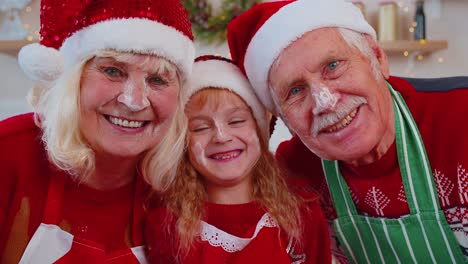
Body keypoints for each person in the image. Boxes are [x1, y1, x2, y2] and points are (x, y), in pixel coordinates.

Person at [227, 0, 468, 262]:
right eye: (295, 91)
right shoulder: (294, 173)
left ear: (377, 57)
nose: (324, 101)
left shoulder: (460, 117)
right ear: (283, 118)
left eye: (333, 66)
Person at [0, 0, 195, 262]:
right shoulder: (9, 151)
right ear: (74, 81)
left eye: (157, 80)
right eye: (113, 71)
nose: (134, 101)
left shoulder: (185, 182)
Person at [144, 55, 331, 264]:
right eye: (201, 128)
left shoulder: (304, 216)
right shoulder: (166, 225)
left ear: (259, 130)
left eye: (236, 121)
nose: (222, 136)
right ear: (183, 143)